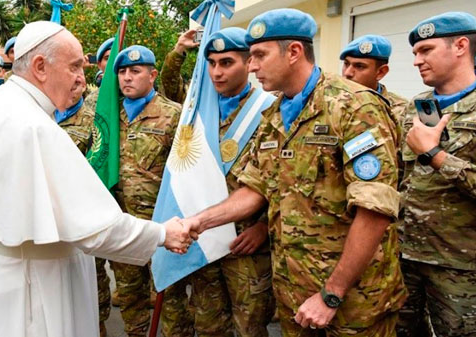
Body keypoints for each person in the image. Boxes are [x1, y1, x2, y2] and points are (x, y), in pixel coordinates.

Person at [0, 21, 191, 337]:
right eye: (74, 66)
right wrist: (161, 234)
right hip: (25, 284)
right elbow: (95, 228)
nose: (81, 79)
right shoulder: (34, 126)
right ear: (40, 66)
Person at [184, 8, 407, 336]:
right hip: (294, 293)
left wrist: (332, 293)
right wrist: (198, 222)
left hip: (352, 301)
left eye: (259, 54)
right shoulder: (275, 114)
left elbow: (374, 210)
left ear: (294, 52)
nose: (252, 65)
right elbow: (254, 190)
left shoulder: (354, 107)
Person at [160, 27, 275, 337]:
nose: (216, 72)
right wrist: (180, 50)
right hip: (205, 235)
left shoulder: (271, 110)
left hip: (246, 241)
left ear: (249, 63)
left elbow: (284, 180)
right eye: (210, 63)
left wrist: (263, 227)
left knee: (250, 326)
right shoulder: (200, 108)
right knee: (209, 324)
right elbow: (170, 87)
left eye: (226, 63)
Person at [397, 11, 476, 337]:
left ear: (460, 46)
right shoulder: (415, 107)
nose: (416, 60)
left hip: (460, 266)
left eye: (425, 50)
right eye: (415, 52)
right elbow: (401, 179)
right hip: (404, 257)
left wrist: (436, 156)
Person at [108, 45, 182, 337]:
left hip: (161, 224)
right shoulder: (108, 116)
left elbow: (183, 172)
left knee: (171, 297)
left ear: (152, 75)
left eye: (135, 71)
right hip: (122, 223)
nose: (127, 77)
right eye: (122, 72)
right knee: (129, 294)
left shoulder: (172, 115)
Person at [55, 81, 110, 337]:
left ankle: (97, 321)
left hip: (84, 207)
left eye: (78, 84)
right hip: (53, 209)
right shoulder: (43, 115)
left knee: (93, 269)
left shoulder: (95, 119)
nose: (72, 87)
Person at [340, 34, 407, 124]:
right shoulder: (327, 103)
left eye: (359, 66)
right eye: (346, 64)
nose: (347, 73)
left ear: (380, 72)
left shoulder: (402, 111)